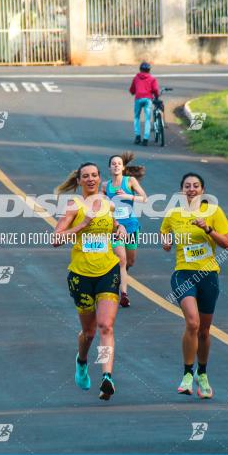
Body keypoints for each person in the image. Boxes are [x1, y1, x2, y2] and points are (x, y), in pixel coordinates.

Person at [54, 163, 127, 400]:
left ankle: (107, 376)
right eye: (86, 176)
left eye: (94, 175)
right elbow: (56, 239)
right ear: (79, 181)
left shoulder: (108, 203)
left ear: (99, 178)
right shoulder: (74, 206)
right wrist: (83, 224)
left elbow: (113, 225)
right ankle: (82, 361)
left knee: (106, 326)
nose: (91, 179)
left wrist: (121, 228)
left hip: (107, 270)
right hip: (81, 275)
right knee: (89, 332)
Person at [161, 173, 228, 399]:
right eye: (187, 186)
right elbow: (165, 232)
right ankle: (187, 374)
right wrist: (166, 241)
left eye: (195, 186)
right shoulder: (174, 214)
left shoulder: (213, 212)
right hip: (183, 274)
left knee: (204, 330)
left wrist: (208, 229)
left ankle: (202, 373)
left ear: (203, 190)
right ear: (181, 190)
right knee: (192, 322)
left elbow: (227, 243)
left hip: (209, 275)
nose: (191, 189)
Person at [101, 152, 147, 308]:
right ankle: (124, 295)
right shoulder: (105, 186)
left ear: (123, 167)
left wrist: (128, 196)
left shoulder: (130, 181)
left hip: (131, 225)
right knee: (121, 259)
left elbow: (144, 198)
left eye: (118, 163)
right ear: (109, 167)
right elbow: (99, 204)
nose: (116, 165)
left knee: (130, 261)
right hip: (115, 227)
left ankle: (122, 273)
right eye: (113, 163)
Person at [129, 61, 159, 147]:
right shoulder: (152, 79)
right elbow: (155, 90)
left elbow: (132, 90)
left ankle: (138, 136)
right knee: (147, 119)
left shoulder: (136, 78)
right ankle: (146, 139)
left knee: (137, 117)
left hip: (138, 99)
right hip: (148, 99)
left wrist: (133, 92)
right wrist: (156, 96)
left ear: (140, 69)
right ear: (149, 70)